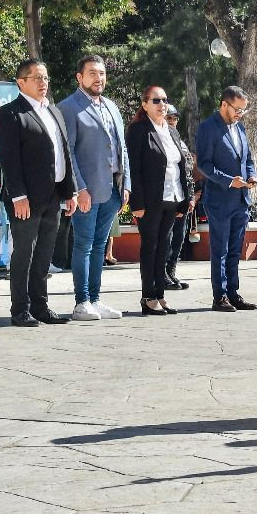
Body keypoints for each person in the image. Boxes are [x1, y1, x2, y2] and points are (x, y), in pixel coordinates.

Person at [0, 59, 77, 327]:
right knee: (24, 254)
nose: (43, 83)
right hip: (26, 198)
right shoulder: (10, 113)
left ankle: (41, 306)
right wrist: (18, 195)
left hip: (53, 194)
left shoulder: (53, 111)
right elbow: (9, 158)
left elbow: (64, 153)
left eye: (45, 78)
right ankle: (20, 309)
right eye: (37, 79)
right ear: (21, 83)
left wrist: (71, 191)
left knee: (44, 254)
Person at [59, 55, 130, 322]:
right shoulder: (69, 107)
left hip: (113, 190)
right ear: (80, 77)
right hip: (87, 191)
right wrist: (79, 189)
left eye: (101, 73)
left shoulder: (111, 106)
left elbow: (122, 148)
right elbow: (68, 153)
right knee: (84, 245)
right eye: (92, 73)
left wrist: (126, 186)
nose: (98, 78)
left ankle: (96, 299)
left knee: (100, 246)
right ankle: (82, 302)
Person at [127, 85, 193, 316]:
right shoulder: (138, 130)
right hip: (150, 200)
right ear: (145, 104)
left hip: (172, 197)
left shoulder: (172, 131)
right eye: (156, 101)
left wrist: (184, 200)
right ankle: (148, 296)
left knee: (163, 248)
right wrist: (136, 203)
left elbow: (182, 167)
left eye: (164, 100)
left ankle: (160, 295)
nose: (162, 105)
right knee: (150, 248)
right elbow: (133, 169)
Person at [196, 86, 257, 312]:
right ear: (224, 104)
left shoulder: (240, 128)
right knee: (220, 249)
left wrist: (251, 175)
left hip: (241, 199)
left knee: (235, 250)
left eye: (243, 110)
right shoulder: (207, 128)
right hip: (219, 199)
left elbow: (248, 159)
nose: (240, 114)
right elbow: (203, 165)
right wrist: (228, 180)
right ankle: (219, 296)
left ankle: (233, 293)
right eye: (237, 109)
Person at [162, 104, 194, 289]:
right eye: (169, 118)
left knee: (179, 236)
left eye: (174, 119)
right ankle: (163, 274)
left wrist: (190, 196)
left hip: (182, 195)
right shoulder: (159, 139)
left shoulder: (179, 141)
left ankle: (171, 271)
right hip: (167, 196)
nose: (172, 122)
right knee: (166, 236)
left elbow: (188, 172)